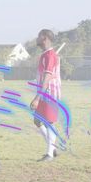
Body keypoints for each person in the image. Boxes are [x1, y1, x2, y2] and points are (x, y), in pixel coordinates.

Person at [29, 29, 61, 161]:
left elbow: (47, 76)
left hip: (50, 93)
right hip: (44, 92)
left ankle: (49, 154)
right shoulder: (45, 55)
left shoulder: (50, 55)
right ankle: (52, 148)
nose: (36, 38)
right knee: (37, 120)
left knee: (49, 122)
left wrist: (37, 97)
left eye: (39, 36)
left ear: (45, 38)